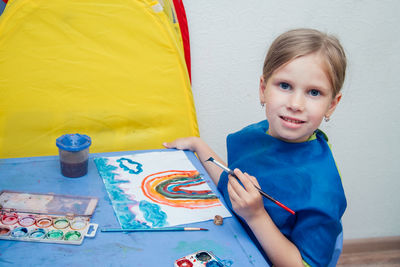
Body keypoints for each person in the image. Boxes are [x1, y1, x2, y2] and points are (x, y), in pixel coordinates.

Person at [163, 28, 347, 267]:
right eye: (285, 85)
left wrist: (256, 215)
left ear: (331, 105)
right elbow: (234, 186)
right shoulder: (259, 133)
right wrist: (198, 146)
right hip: (232, 242)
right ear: (263, 89)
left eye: (314, 92)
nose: (295, 104)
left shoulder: (322, 188)